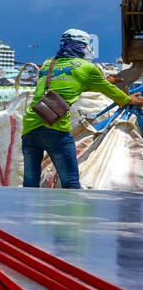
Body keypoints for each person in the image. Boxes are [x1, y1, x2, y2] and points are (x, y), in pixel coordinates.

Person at [21, 28, 143, 188]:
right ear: (82, 48)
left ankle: (26, 211)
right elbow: (110, 91)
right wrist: (129, 100)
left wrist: (104, 81)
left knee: (30, 182)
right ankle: (73, 212)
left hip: (30, 126)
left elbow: (67, 86)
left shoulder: (47, 64)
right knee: (70, 182)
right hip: (55, 129)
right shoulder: (86, 67)